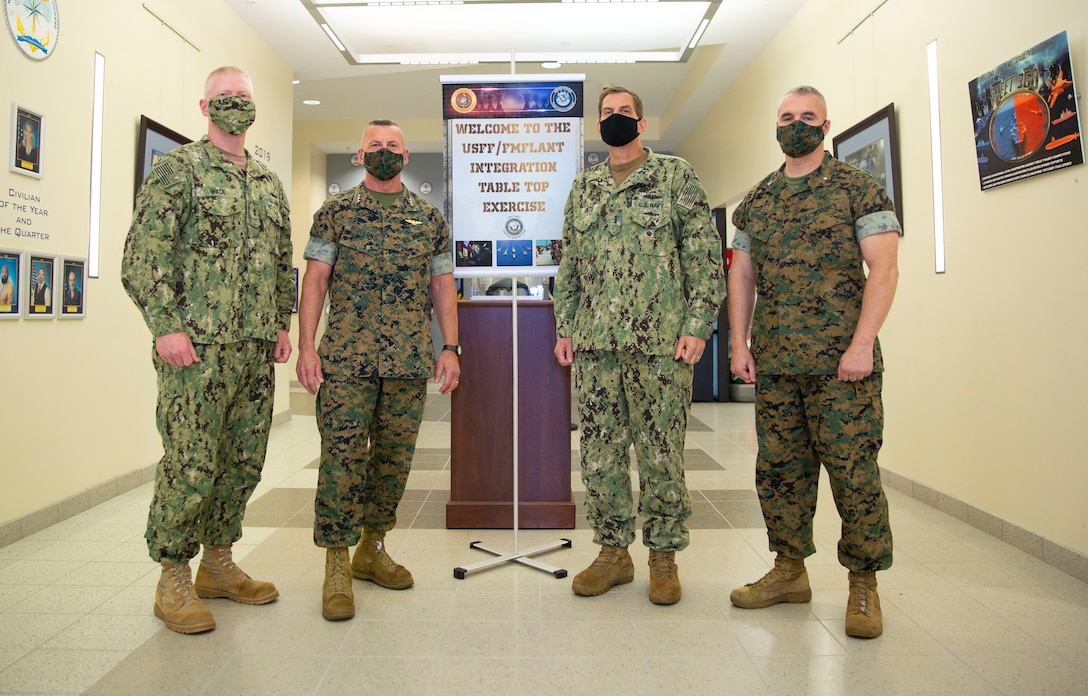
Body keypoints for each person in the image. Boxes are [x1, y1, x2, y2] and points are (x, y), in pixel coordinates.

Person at [121, 66, 294, 635]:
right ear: (204, 107)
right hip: (195, 351)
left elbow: (278, 261)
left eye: (243, 96)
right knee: (191, 462)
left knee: (242, 463)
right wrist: (166, 326)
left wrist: (280, 323)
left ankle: (217, 563)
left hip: (253, 349)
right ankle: (172, 575)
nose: (235, 105)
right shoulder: (179, 172)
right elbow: (143, 256)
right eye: (224, 97)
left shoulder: (268, 182)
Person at [727, 85, 900, 639]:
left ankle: (864, 585)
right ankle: (788, 570)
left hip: (841, 368)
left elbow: (886, 270)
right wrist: (739, 342)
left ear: (826, 128)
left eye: (807, 117)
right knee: (779, 476)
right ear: (775, 127)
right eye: (786, 117)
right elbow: (742, 275)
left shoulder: (859, 189)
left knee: (854, 475)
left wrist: (861, 343)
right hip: (777, 366)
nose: (795, 125)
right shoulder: (757, 200)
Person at [553, 86, 726, 606]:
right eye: (606, 114)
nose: (615, 120)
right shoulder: (583, 188)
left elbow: (703, 255)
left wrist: (698, 323)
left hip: (660, 344)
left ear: (642, 123)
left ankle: (663, 557)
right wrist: (566, 326)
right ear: (597, 125)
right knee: (600, 452)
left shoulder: (675, 176)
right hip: (597, 344)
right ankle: (613, 553)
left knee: (661, 452)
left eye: (624, 113)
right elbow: (571, 267)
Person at [296, 119, 460, 621]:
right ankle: (337, 563)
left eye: (393, 146)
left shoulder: (429, 219)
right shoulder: (335, 214)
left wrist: (450, 347)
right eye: (375, 145)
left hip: (408, 362)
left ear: (406, 156)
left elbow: (442, 285)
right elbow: (316, 280)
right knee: (342, 460)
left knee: (392, 461)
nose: (384, 152)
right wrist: (307, 347)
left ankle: (373, 547)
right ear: (358, 154)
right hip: (346, 360)